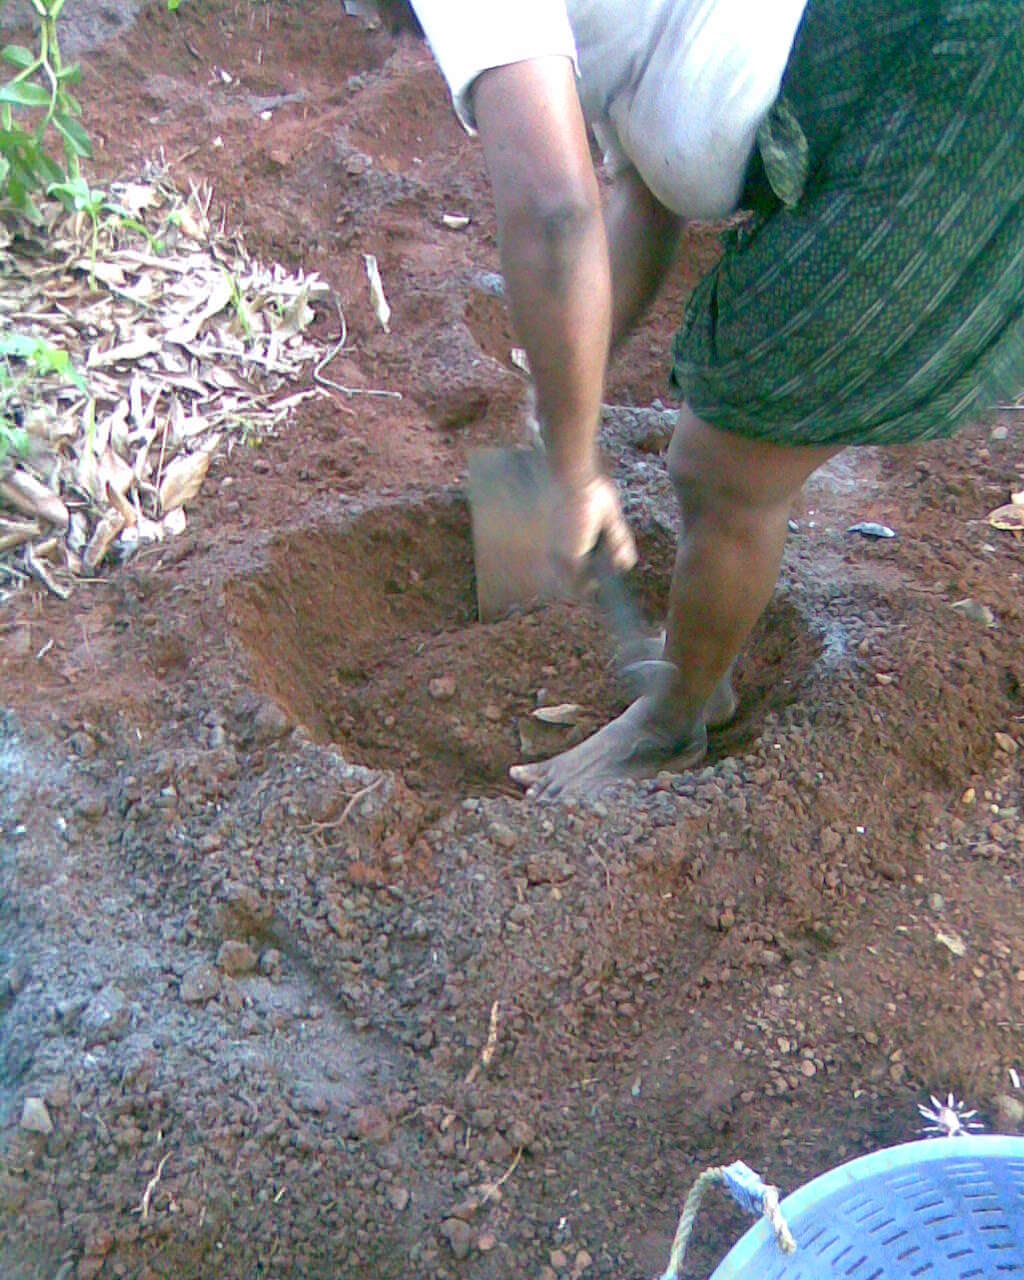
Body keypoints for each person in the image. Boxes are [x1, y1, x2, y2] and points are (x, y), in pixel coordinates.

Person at [361, 1, 1024, 801]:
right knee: (717, 458)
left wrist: (573, 476)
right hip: (914, 64)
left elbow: (552, 209)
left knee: (724, 472)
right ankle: (689, 690)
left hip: (949, 75)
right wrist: (560, 401)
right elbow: (645, 193)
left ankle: (673, 724)